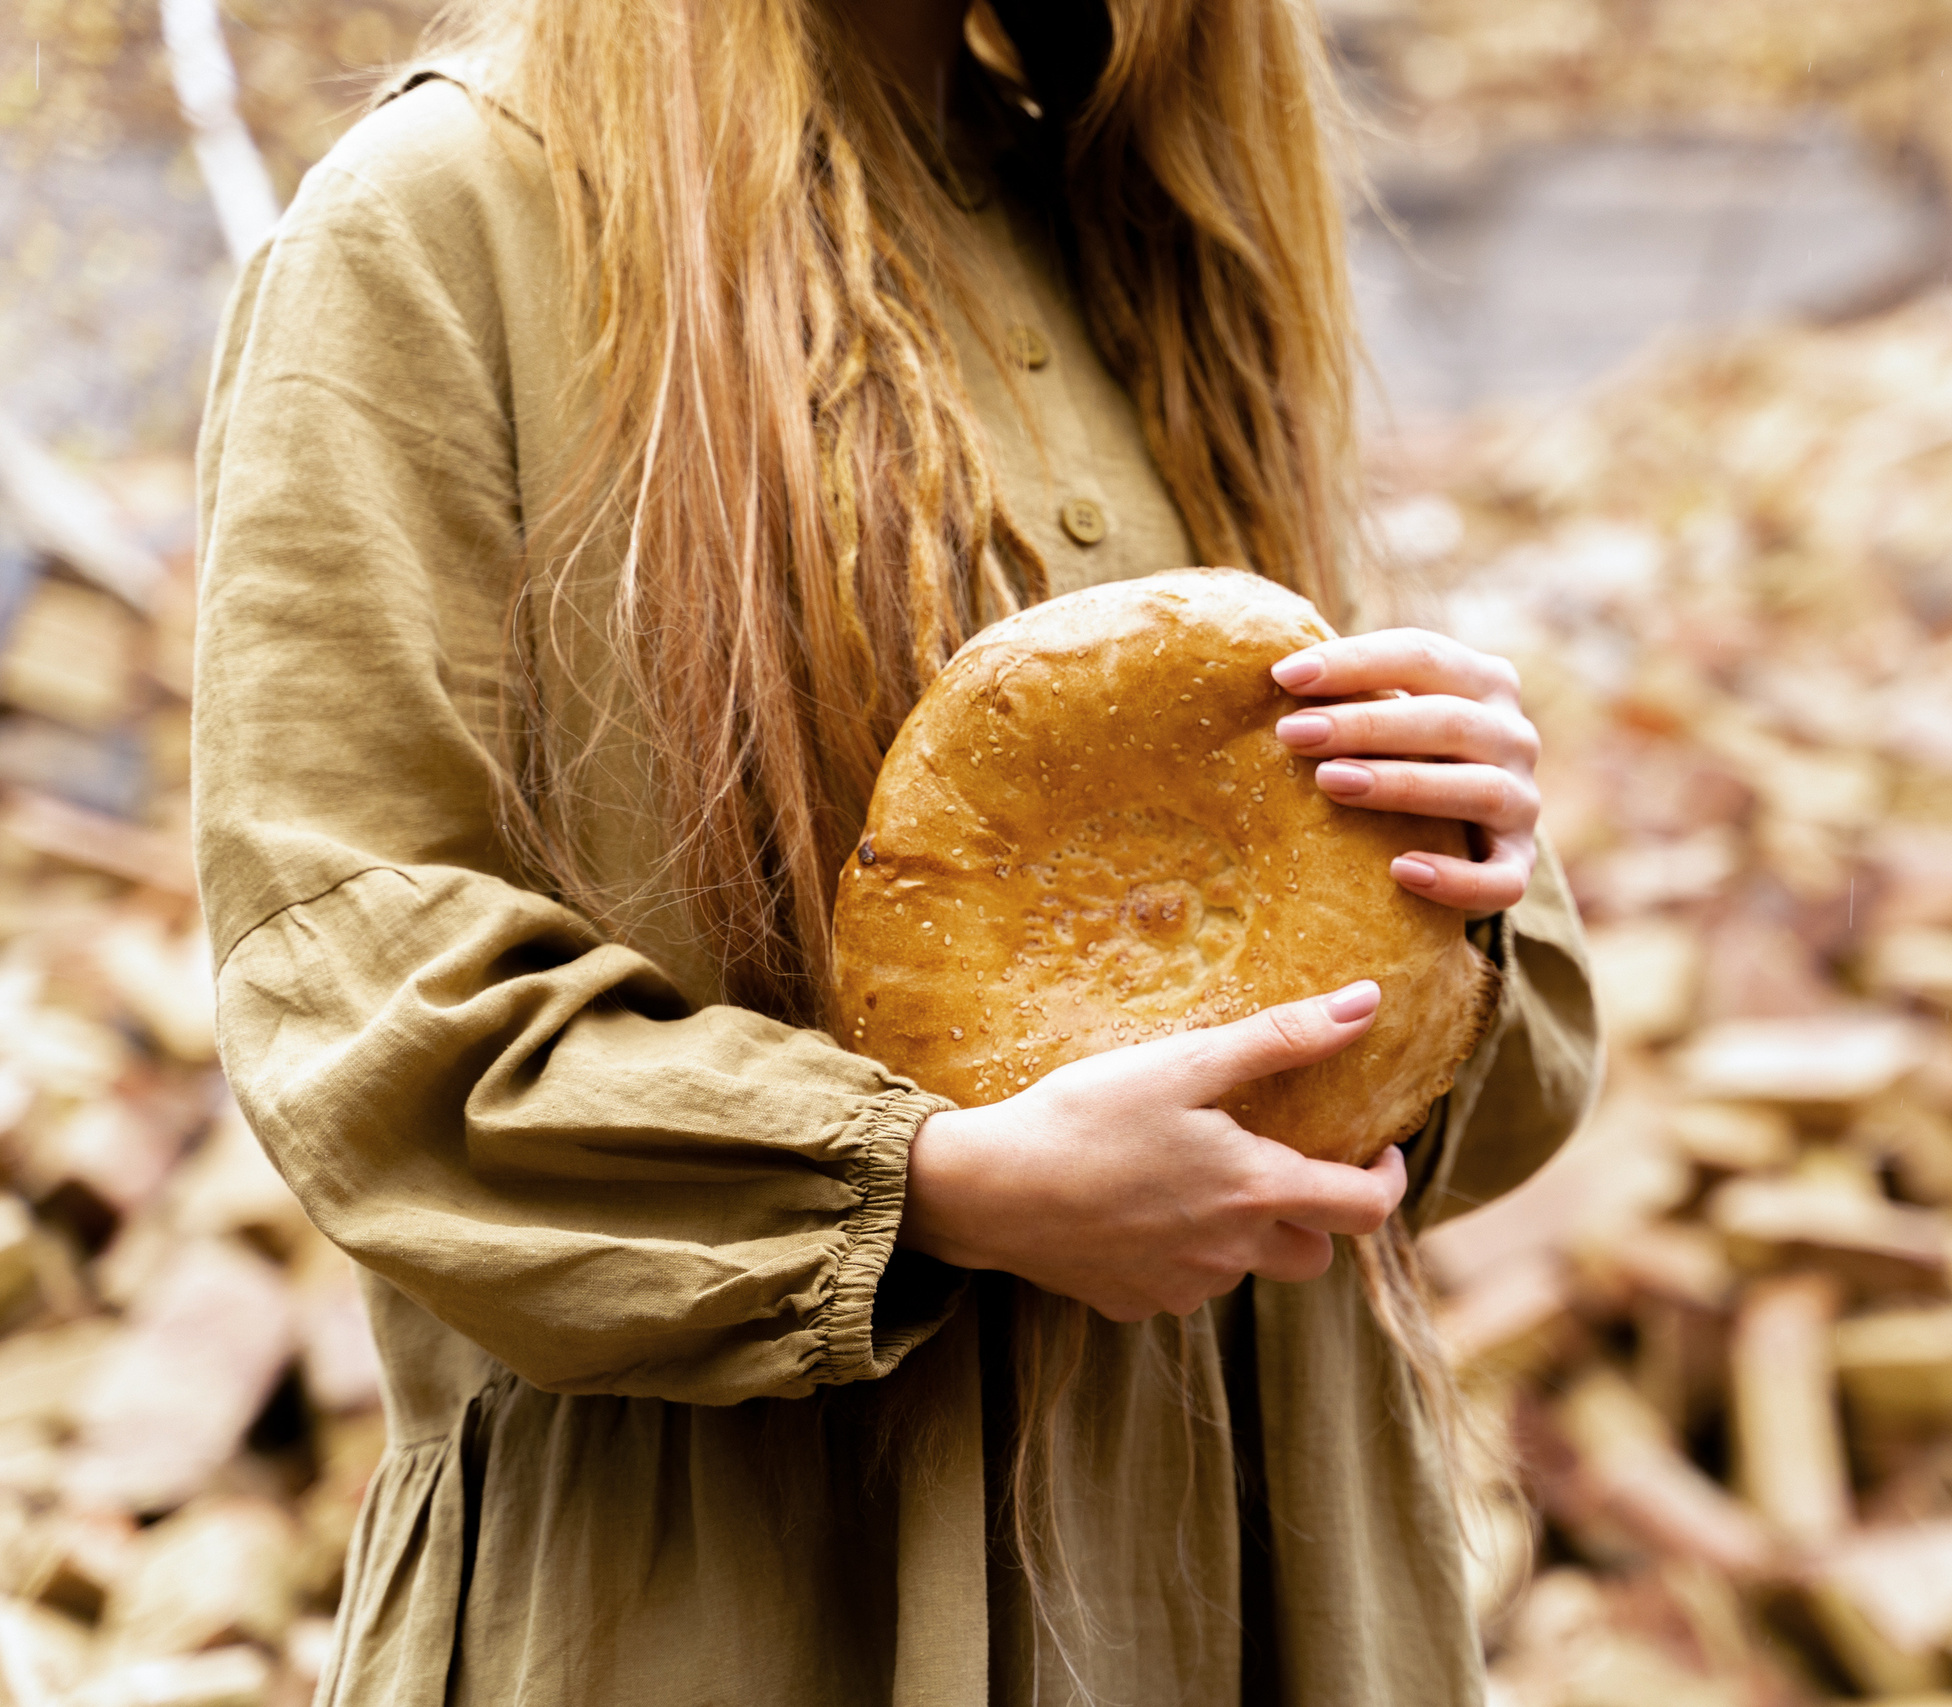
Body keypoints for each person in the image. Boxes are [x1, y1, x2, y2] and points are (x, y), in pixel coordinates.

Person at [191, 0, 1598, 1700]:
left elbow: (1453, 1109)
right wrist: (928, 1191)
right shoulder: (446, 218)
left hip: (1250, 1584)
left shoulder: (1141, 213)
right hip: (736, 1606)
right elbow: (357, 995)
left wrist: (1456, 858)